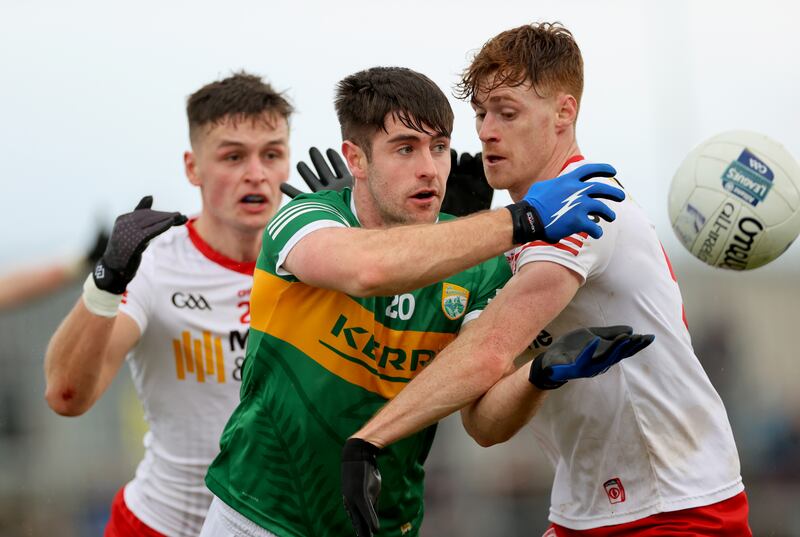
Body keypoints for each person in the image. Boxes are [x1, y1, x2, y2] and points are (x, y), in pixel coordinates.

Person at [343, 23, 751, 536]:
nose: (487, 130)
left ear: (564, 112)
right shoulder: (508, 248)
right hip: (580, 512)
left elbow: (489, 350)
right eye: (482, 114)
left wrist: (370, 440)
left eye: (507, 113)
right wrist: (536, 376)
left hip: (676, 506)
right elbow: (484, 425)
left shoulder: (588, 204)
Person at [201, 66, 640, 537]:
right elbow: (369, 271)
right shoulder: (305, 216)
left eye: (440, 147)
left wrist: (539, 374)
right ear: (357, 158)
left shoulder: (478, 267)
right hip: (254, 517)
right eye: (405, 148)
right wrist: (523, 218)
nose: (430, 168)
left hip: (385, 527)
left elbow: (485, 426)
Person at [44, 71, 294, 537]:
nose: (256, 173)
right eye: (233, 156)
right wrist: (107, 280)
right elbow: (66, 396)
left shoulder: (318, 260)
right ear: (192, 167)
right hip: (161, 523)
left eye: (272, 154)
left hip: (276, 527)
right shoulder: (155, 263)